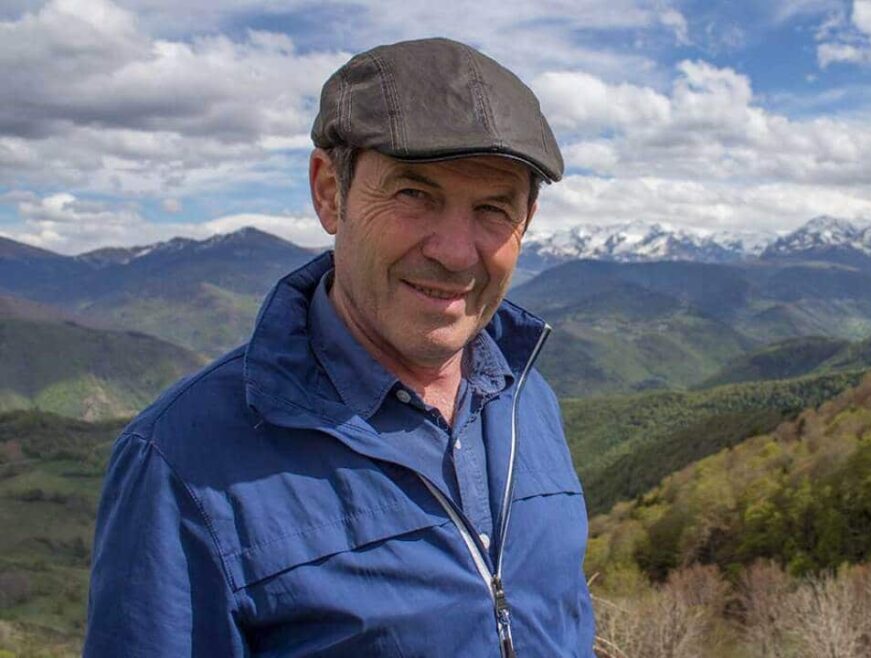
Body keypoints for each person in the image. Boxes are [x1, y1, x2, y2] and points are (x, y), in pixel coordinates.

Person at [84, 38, 595, 657]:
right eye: (414, 195)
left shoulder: (526, 396)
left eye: (493, 209)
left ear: (527, 220)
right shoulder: (180, 462)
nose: (457, 253)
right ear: (330, 191)